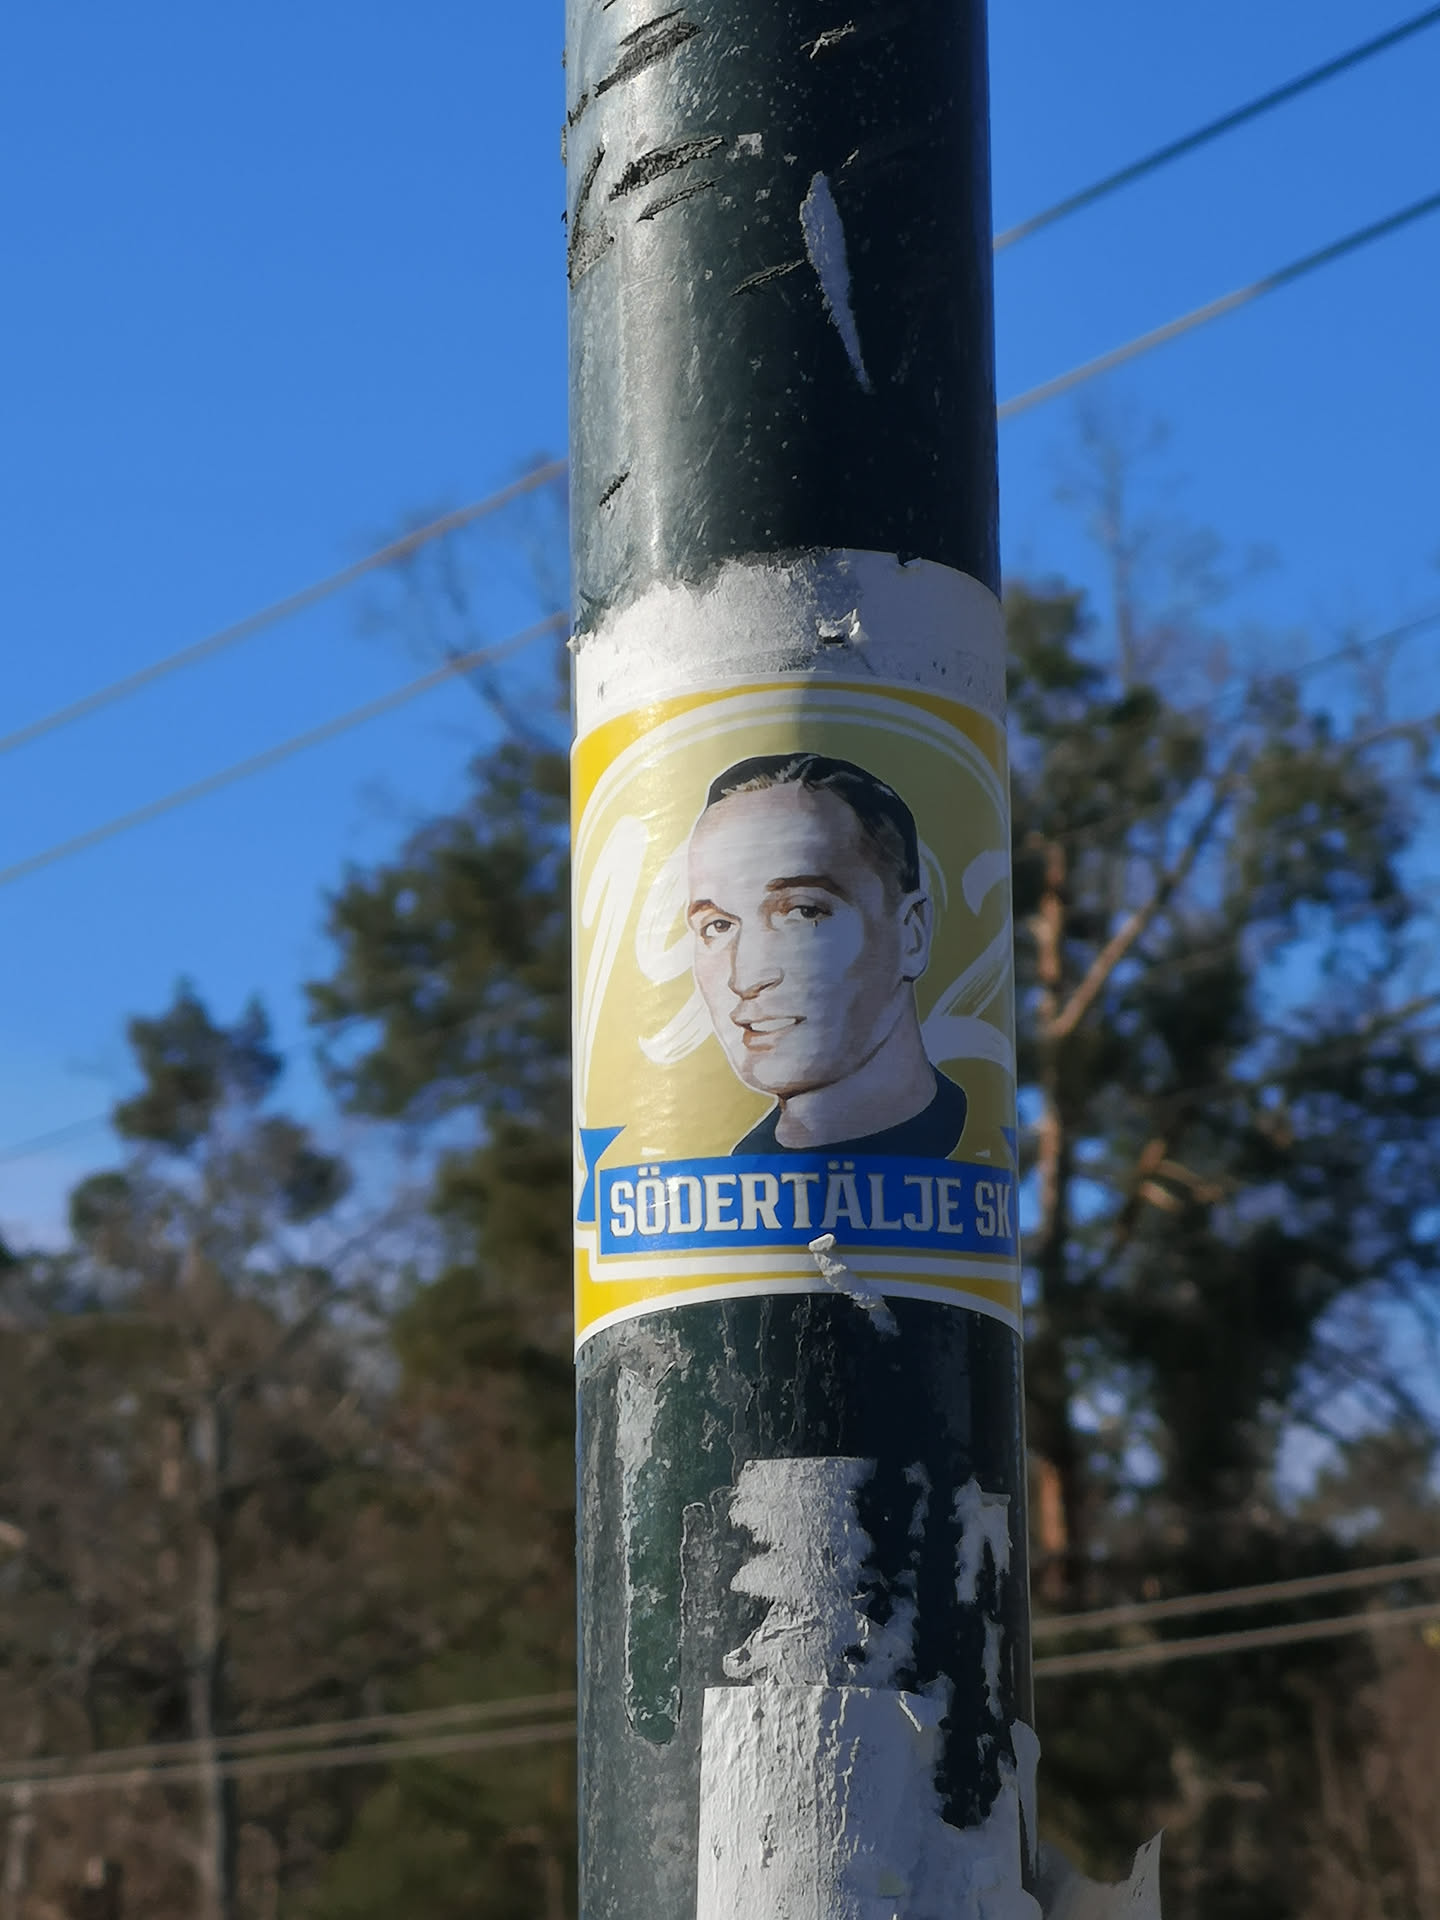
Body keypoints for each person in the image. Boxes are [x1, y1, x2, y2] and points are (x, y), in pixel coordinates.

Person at [686, 752, 967, 1156]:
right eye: (718, 925)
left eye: (803, 911)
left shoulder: (971, 1141)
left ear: (912, 933)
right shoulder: (737, 1171)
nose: (744, 978)